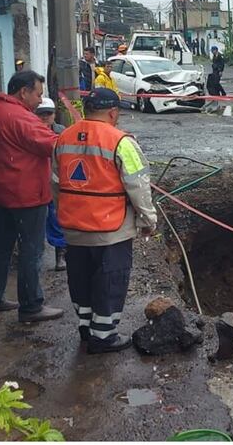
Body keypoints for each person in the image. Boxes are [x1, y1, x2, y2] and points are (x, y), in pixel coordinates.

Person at [54, 88, 157, 353]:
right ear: (113, 112)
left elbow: (56, 179)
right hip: (110, 229)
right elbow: (138, 185)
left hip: (74, 227)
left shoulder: (63, 138)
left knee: (81, 278)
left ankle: (87, 328)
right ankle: (103, 336)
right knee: (110, 280)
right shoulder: (121, 142)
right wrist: (148, 218)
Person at [0, 70, 63, 323]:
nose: (39, 100)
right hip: (28, 195)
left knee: (0, 247)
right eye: (38, 94)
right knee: (31, 250)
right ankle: (32, 306)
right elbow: (54, 146)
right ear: (23, 91)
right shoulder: (22, 118)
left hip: (0, 192)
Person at [35, 98, 67, 271]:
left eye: (48, 113)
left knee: (56, 218)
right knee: (38, 222)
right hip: (36, 183)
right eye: (41, 114)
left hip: (55, 181)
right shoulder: (31, 132)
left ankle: (60, 254)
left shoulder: (62, 133)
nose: (45, 117)